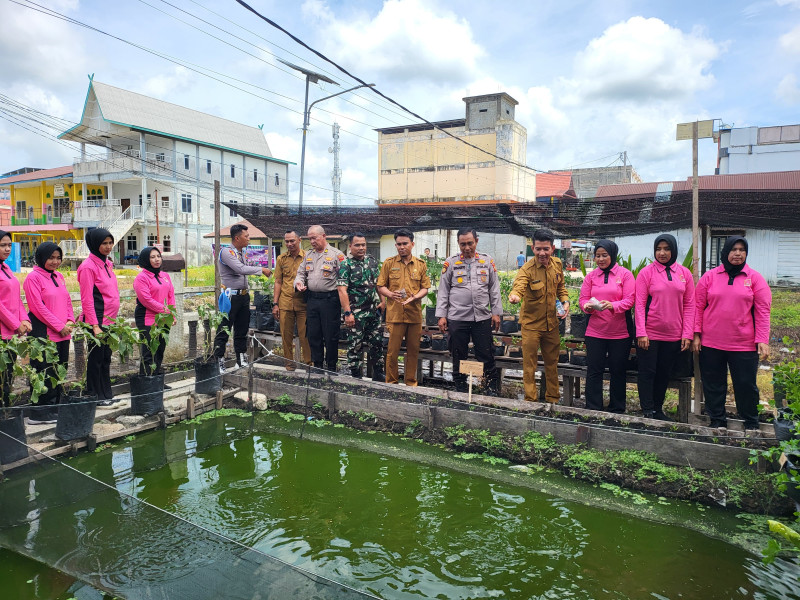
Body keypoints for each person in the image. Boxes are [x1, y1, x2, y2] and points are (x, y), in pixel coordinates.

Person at [693, 235, 771, 436]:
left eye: (742, 250)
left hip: (743, 344)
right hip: (712, 343)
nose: (738, 253)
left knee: (745, 385)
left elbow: (763, 310)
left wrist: (762, 339)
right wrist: (696, 335)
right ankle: (717, 420)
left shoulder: (754, 278)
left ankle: (751, 422)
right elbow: (697, 307)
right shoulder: (709, 277)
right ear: (725, 252)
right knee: (713, 383)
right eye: (733, 249)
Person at [635, 234, 694, 420]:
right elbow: (639, 304)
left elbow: (690, 305)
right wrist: (641, 332)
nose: (662, 253)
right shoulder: (647, 273)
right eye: (659, 249)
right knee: (647, 372)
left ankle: (657, 409)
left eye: (667, 249)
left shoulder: (685, 273)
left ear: (674, 250)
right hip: (650, 334)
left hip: (674, 335)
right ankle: (647, 409)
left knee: (663, 373)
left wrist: (687, 334)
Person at [436, 228, 502, 394]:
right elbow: (443, 290)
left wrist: (496, 312)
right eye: (462, 244)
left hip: (481, 317)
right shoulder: (450, 263)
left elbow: (494, 289)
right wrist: (442, 316)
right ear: (458, 244)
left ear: (476, 242)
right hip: (457, 317)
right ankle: (461, 386)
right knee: (458, 353)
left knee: (485, 353)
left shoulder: (487, 261)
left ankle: (489, 386)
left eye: (470, 243)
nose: (466, 247)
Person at [509, 228, 569, 403]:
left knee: (552, 364)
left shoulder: (557, 264)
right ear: (532, 248)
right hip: (531, 325)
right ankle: (531, 400)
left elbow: (561, 288)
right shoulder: (527, 270)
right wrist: (515, 296)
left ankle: (553, 399)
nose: (542, 253)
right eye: (538, 249)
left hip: (552, 325)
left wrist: (565, 301)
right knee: (529, 365)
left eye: (546, 249)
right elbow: (519, 285)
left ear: (553, 248)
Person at [579, 239, 635, 413]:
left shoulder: (625, 275)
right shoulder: (591, 276)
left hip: (620, 333)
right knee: (594, 370)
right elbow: (583, 299)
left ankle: (617, 408)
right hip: (595, 331)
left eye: (605, 255)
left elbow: (630, 300)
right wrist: (586, 306)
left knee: (618, 371)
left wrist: (613, 305)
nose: (601, 259)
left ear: (613, 255)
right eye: (597, 256)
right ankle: (593, 407)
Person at [23, 242, 74, 424]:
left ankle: (54, 409)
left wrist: (70, 320)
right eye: (51, 258)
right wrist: (59, 326)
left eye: (58, 258)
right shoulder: (33, 278)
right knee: (42, 371)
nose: (55, 261)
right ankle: (39, 414)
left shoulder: (59, 276)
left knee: (59, 371)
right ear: (42, 257)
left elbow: (67, 300)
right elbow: (37, 307)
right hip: (44, 333)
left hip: (63, 332)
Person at [213, 223, 272, 373]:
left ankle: (240, 359)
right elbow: (240, 269)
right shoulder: (227, 252)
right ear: (237, 238)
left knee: (242, 329)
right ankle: (218, 361)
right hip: (230, 297)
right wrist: (261, 270)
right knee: (224, 329)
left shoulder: (242, 252)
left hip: (243, 296)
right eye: (246, 236)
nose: (249, 239)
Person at [377, 229, 431, 386]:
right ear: (396, 245)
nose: (402, 247)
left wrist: (416, 296)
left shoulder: (421, 264)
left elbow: (425, 288)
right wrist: (390, 294)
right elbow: (381, 286)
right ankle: (392, 383)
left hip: (414, 315)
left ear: (412, 244)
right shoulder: (389, 263)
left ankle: (410, 383)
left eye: (405, 243)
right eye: (399, 244)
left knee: (413, 351)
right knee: (392, 352)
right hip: (395, 315)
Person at [77, 228, 122, 407]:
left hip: (109, 321)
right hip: (97, 321)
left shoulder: (107, 264)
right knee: (96, 360)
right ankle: (94, 395)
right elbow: (87, 299)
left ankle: (106, 394)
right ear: (95, 244)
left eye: (110, 243)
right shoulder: (88, 267)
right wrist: (95, 325)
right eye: (104, 243)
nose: (108, 246)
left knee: (106, 358)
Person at [294, 225, 345, 372]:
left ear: (323, 236)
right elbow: (301, 273)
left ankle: (331, 366)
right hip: (312, 300)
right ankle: (317, 365)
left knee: (330, 335)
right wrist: (298, 282)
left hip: (330, 300)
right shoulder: (308, 255)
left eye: (314, 237)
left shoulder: (337, 255)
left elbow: (344, 277)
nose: (312, 241)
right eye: (309, 238)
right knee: (313, 334)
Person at [337, 232, 385, 381]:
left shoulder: (371, 261)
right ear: (350, 246)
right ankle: (356, 377)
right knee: (355, 346)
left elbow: (378, 283)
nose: (361, 247)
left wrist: (382, 301)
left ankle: (378, 374)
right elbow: (341, 290)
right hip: (355, 314)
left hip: (373, 312)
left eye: (363, 244)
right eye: (357, 245)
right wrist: (347, 313)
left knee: (376, 343)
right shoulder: (346, 265)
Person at [0, 230, 31, 408]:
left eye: (9, 245)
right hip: (3, 331)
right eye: (2, 245)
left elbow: (16, 298)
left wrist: (24, 319)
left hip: (10, 333)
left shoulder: (6, 268)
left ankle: (5, 412)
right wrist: (15, 323)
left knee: (8, 375)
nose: (7, 249)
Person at [272, 230, 311, 371]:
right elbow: (278, 281)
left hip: (303, 303)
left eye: (292, 241)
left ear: (299, 240)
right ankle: (289, 364)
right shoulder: (281, 259)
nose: (289, 244)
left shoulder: (308, 257)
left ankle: (309, 365)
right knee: (286, 336)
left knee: (305, 335)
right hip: (285, 302)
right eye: (287, 241)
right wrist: (275, 304)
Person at [133, 247, 175, 376]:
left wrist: (172, 314)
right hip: (147, 317)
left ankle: (156, 379)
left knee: (159, 350)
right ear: (146, 259)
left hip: (163, 318)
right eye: (152, 257)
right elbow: (146, 300)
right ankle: (146, 383)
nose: (157, 259)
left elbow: (170, 295)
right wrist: (166, 312)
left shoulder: (165, 275)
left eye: (158, 256)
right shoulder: (141, 278)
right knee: (148, 352)